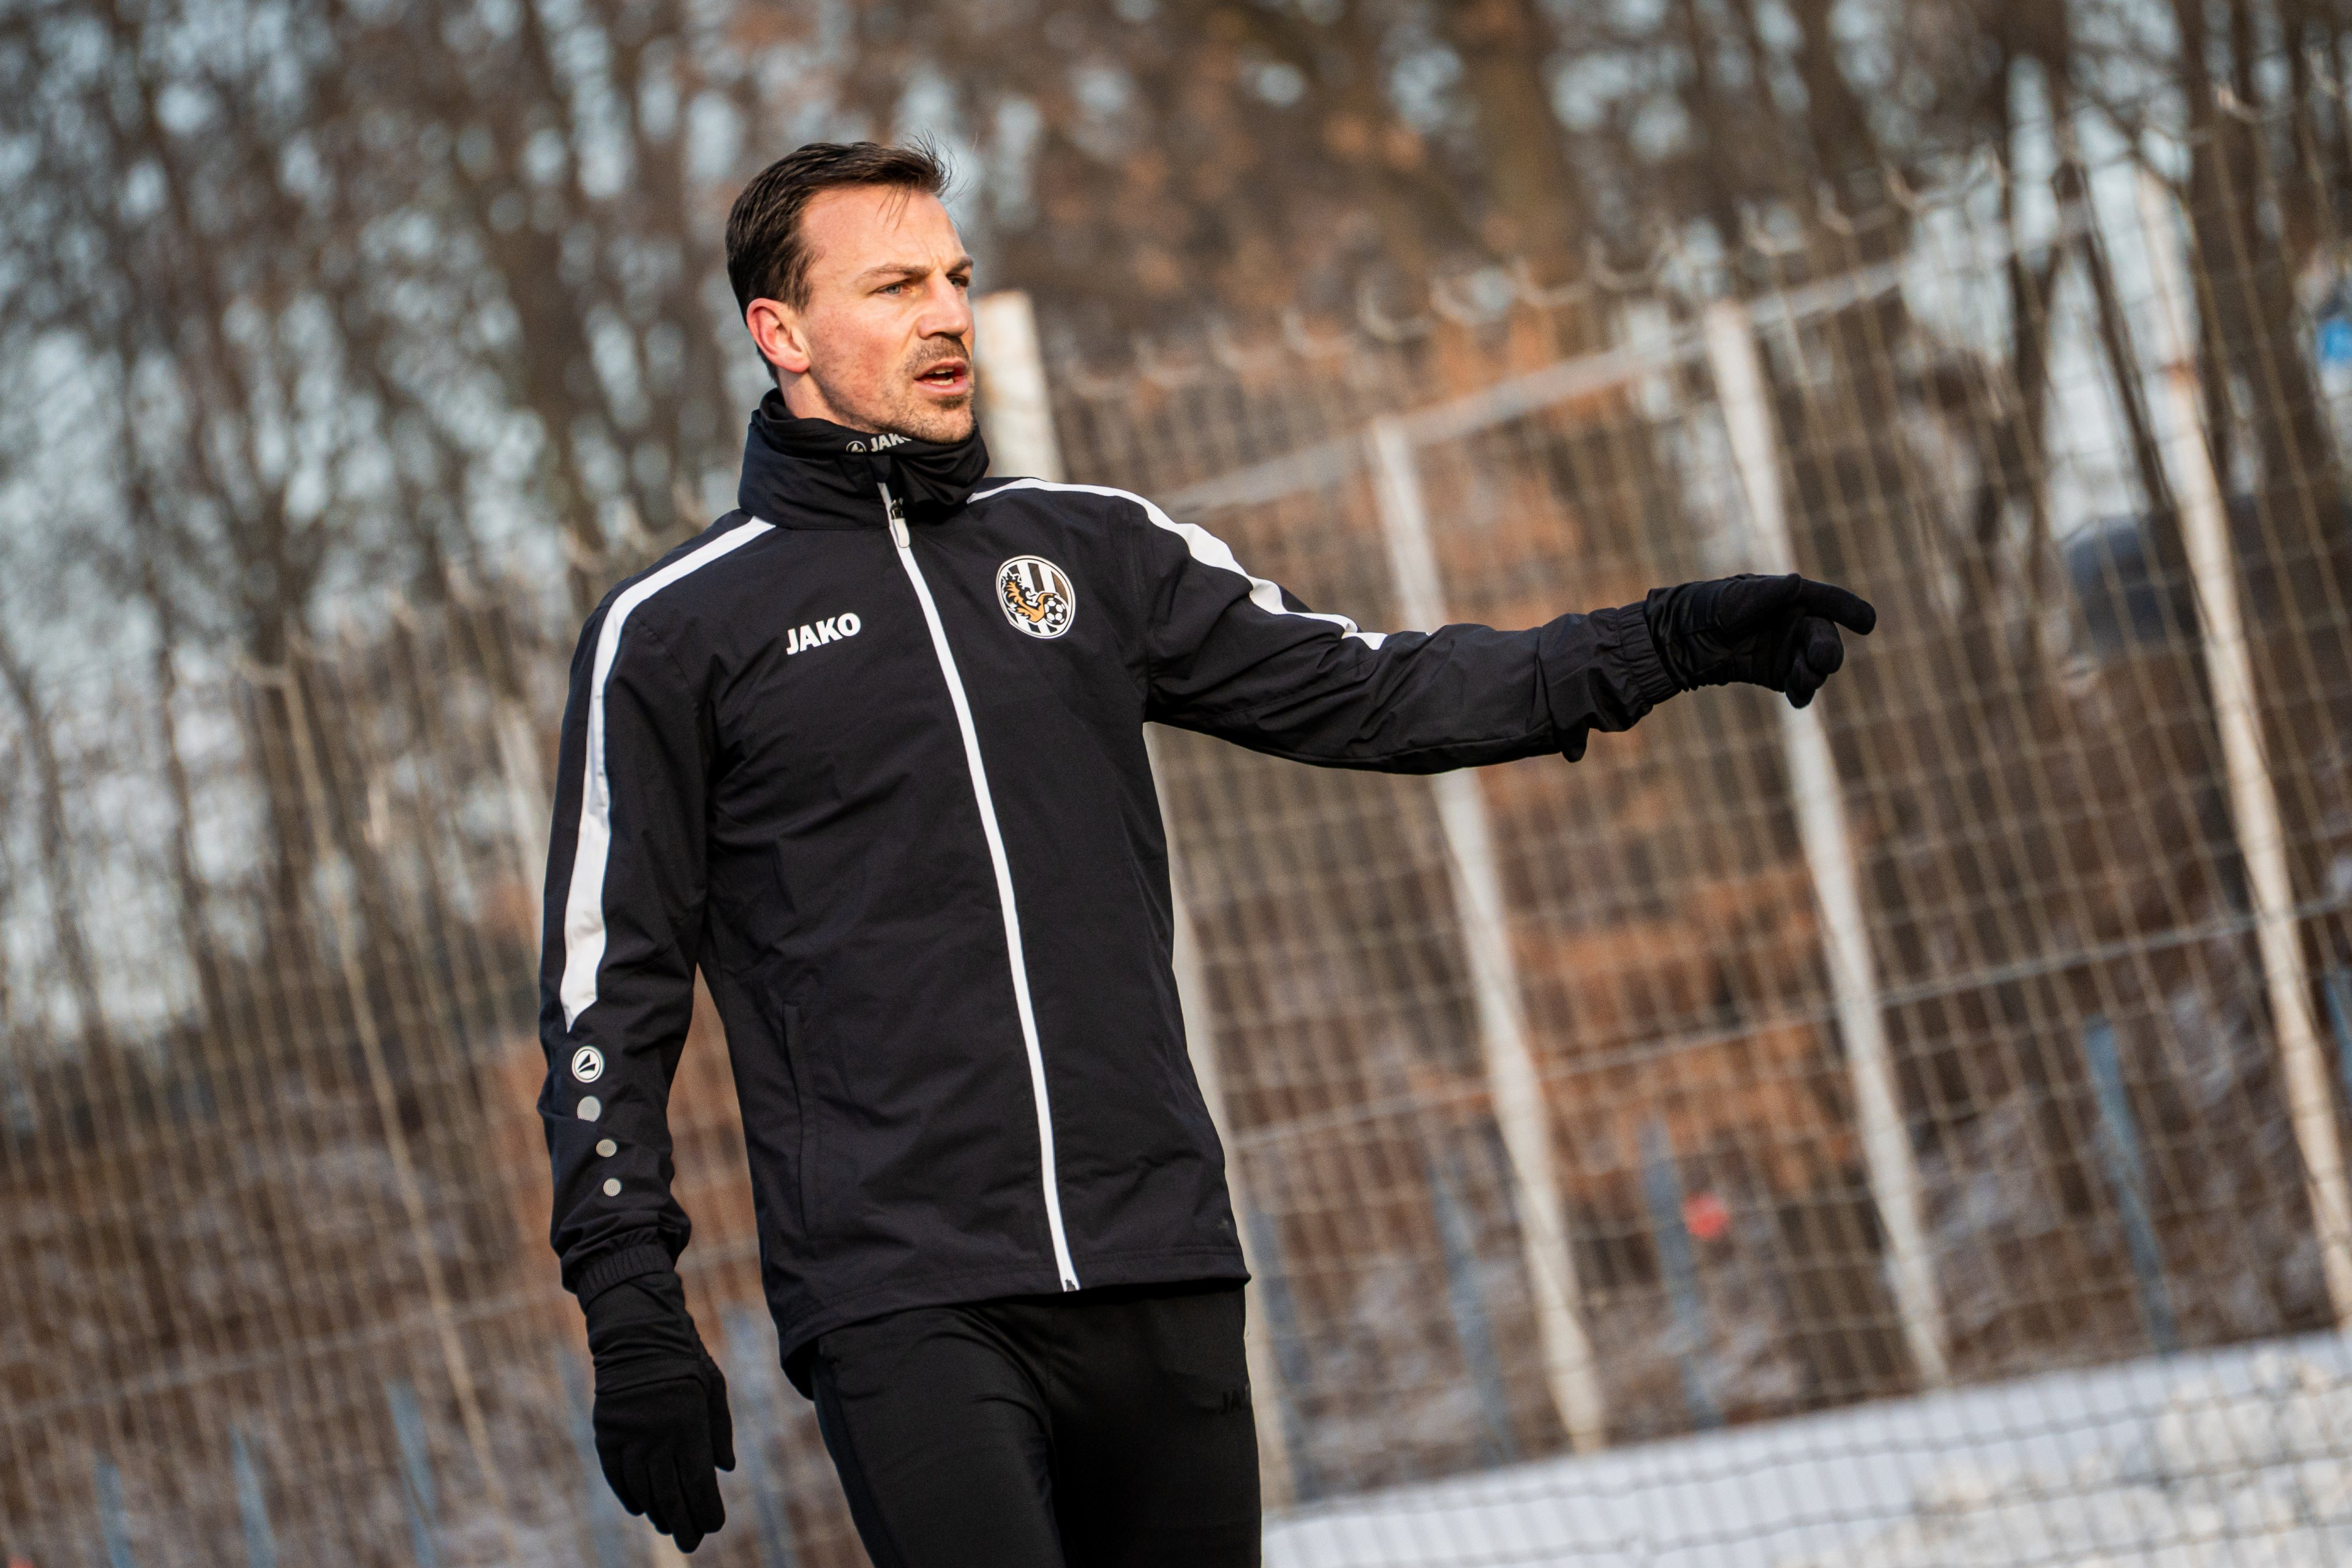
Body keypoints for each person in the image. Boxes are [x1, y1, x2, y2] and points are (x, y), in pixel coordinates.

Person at [537, 140, 1874, 1564]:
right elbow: (606, 993)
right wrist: (632, 1302)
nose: (947, 315)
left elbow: (1378, 690)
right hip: (905, 1294)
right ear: (782, 331)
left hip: (1160, 1255)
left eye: (956, 278)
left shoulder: (1092, 548)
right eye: (896, 286)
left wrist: (1662, 641)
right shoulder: (674, 633)